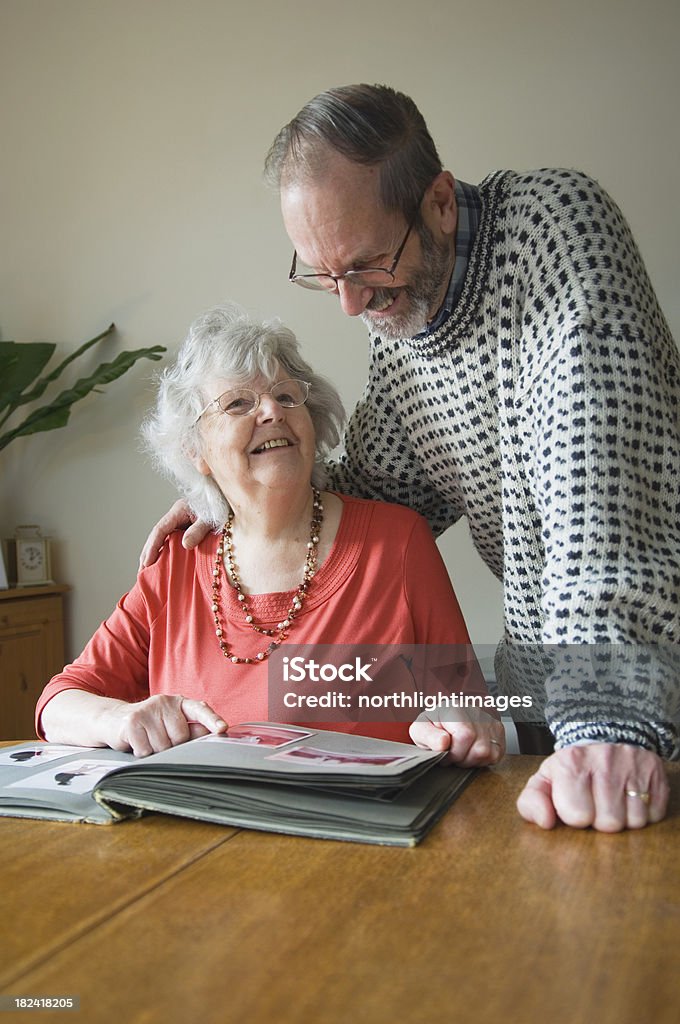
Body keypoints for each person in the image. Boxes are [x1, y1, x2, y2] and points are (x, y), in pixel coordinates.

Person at [142, 84, 680, 832]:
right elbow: (380, 484)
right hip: (555, 707)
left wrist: (612, 721)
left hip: (639, 687)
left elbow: (599, 497)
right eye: (323, 276)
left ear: (438, 202)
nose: (351, 306)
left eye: (365, 266)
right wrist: (238, 503)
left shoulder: (555, 233)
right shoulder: (403, 313)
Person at [37, 303, 503, 767]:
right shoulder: (176, 565)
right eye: (239, 403)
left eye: (286, 397)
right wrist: (120, 720)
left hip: (358, 831)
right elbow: (59, 702)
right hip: (198, 833)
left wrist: (459, 722)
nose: (271, 412)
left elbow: (470, 709)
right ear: (195, 450)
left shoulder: (397, 543)